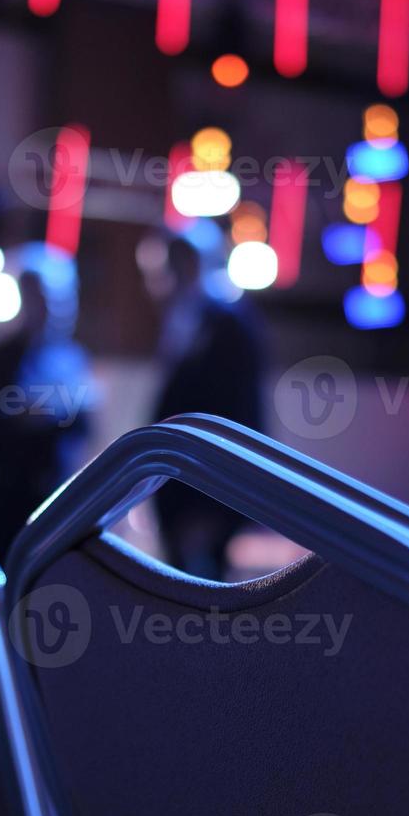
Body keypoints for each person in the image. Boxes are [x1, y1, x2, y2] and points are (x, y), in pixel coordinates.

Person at [0, 243, 92, 559]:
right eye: (34, 295)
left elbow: (85, 430)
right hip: (3, 496)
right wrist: (11, 417)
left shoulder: (74, 361)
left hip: (57, 501)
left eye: (49, 297)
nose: (44, 306)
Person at [145, 222, 266, 579]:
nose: (177, 273)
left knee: (204, 588)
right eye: (173, 263)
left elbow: (240, 410)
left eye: (185, 262)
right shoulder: (185, 319)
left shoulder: (228, 324)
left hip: (210, 484)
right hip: (180, 479)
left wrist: (215, 502)